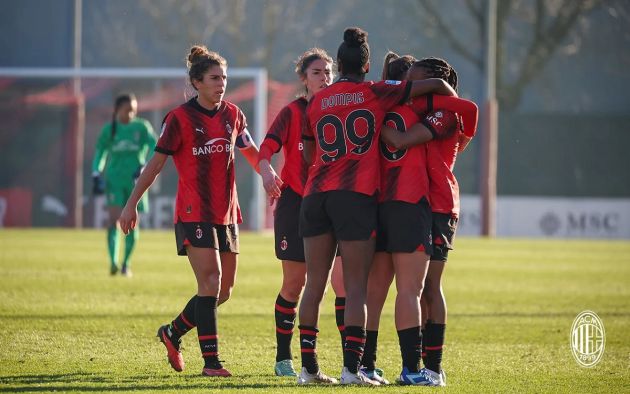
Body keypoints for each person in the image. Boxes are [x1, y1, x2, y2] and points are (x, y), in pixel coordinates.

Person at [296, 27, 457, 386]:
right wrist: (449, 90)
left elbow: (308, 152)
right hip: (354, 197)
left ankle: (308, 370)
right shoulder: (374, 92)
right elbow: (426, 87)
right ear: (367, 65)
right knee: (356, 287)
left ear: (338, 64)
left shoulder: (317, 101)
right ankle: (353, 371)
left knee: (314, 286)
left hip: (315, 193)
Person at [118, 45, 265, 377]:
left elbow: (252, 153)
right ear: (196, 82)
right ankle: (211, 363)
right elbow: (154, 166)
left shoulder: (234, 115)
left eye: (224, 77)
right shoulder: (179, 119)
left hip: (227, 213)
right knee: (210, 281)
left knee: (223, 291)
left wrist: (269, 175)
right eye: (214, 78)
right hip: (193, 210)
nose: (221, 83)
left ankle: (172, 332)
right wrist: (131, 204)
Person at [362, 53, 478, 386]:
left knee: (427, 288)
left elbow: (465, 117)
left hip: (439, 206)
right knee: (410, 288)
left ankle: (432, 366)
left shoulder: (445, 114)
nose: (411, 85)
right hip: (413, 204)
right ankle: (411, 367)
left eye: (418, 78)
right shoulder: (415, 110)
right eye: (409, 78)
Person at [257, 48, 347, 377]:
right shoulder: (293, 112)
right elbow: (266, 149)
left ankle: (350, 364)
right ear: (303, 79)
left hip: (333, 204)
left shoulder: (342, 111)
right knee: (295, 283)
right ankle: (284, 358)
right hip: (296, 203)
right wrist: (267, 172)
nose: (325, 77)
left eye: (328, 71)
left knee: (338, 285)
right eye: (317, 72)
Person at [92, 93, 156, 277]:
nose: (131, 114)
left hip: (137, 182)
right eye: (128, 110)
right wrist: (96, 172)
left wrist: (144, 166)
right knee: (114, 221)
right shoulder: (109, 129)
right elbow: (100, 153)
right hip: (114, 180)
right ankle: (113, 262)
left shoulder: (142, 127)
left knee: (132, 224)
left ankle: (126, 263)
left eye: (134, 110)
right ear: (117, 109)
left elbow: (156, 146)